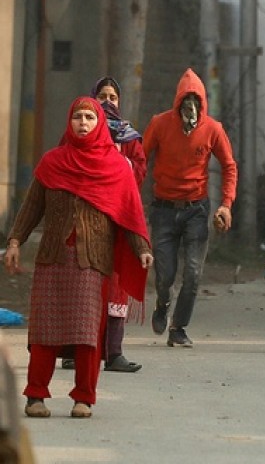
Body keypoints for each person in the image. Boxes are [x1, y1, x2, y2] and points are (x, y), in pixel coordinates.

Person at [3, 97, 153, 419]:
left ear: (99, 123)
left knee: (87, 334)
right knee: (44, 331)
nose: (83, 123)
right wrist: (15, 240)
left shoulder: (116, 168)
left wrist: (142, 249)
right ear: (69, 122)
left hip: (91, 263)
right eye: (77, 117)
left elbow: (130, 213)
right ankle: (36, 395)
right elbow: (31, 208)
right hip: (52, 260)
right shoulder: (51, 162)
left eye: (89, 117)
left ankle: (83, 397)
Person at [143, 68, 238, 348]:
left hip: (196, 208)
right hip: (163, 208)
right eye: (186, 104)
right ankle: (163, 303)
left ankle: (179, 327)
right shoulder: (159, 124)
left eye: (196, 104)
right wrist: (131, 197)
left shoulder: (213, 129)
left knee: (194, 272)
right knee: (165, 275)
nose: (191, 111)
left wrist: (226, 205)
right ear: (178, 104)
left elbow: (229, 166)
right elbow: (140, 158)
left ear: (202, 105)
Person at [61, 77, 147, 373]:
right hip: (82, 219)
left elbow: (139, 169)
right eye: (102, 95)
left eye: (113, 96)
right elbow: (61, 169)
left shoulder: (129, 136)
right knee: (82, 285)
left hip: (117, 217)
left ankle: (114, 353)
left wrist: (119, 169)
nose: (108, 101)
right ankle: (75, 349)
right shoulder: (77, 133)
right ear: (92, 98)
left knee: (116, 286)